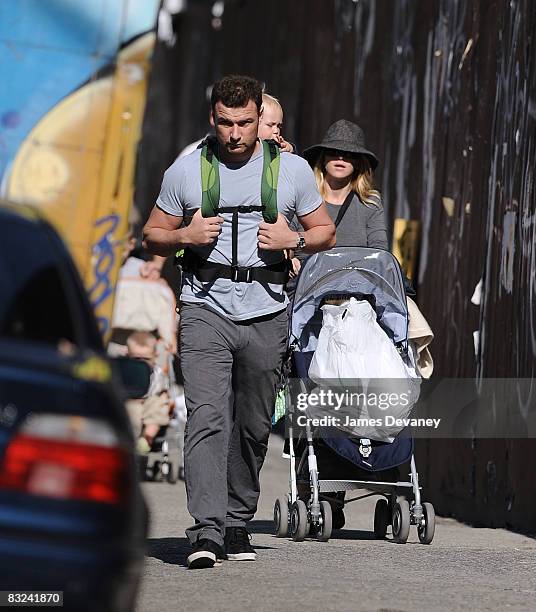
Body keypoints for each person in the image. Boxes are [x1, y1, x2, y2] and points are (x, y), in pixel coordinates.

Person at [143, 74, 335, 569]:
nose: (234, 133)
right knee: (207, 417)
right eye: (226, 123)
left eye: (244, 123)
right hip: (205, 306)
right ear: (213, 119)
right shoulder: (187, 171)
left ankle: (235, 519)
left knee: (252, 423)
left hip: (267, 309)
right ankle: (205, 530)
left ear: (258, 118)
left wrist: (291, 240)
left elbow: (324, 232)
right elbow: (152, 235)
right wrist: (185, 233)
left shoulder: (290, 171)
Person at [290, 119, 387, 279]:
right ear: (323, 158)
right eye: (333, 152)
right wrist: (290, 259)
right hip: (309, 285)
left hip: (357, 287)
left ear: (358, 162)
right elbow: (288, 242)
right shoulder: (302, 197)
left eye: (350, 154)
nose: (341, 158)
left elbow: (380, 253)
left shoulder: (370, 203)